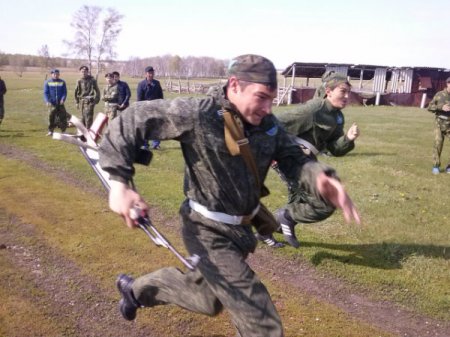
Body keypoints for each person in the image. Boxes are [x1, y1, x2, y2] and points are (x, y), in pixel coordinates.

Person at [98, 54, 360, 337]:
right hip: (206, 231)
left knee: (205, 299)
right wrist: (119, 182)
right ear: (234, 85)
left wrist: (319, 177)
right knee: (261, 325)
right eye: (261, 97)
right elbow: (131, 120)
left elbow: (292, 157)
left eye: (271, 99)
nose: (267, 107)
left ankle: (135, 292)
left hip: (242, 231)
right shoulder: (199, 114)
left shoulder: (268, 124)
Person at [258, 72, 360, 248]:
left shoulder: (337, 116)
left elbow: (334, 149)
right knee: (324, 204)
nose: (346, 96)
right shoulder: (313, 109)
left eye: (348, 92)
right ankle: (285, 218)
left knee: (298, 202)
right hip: (290, 160)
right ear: (328, 91)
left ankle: (265, 231)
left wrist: (348, 139)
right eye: (342, 91)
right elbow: (276, 124)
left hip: (308, 162)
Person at [136, 66, 164, 149]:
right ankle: (145, 144)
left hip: (156, 108)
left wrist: (161, 105)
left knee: (156, 127)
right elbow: (139, 98)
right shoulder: (141, 84)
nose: (151, 74)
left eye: (152, 73)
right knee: (145, 127)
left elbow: (160, 96)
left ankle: (156, 144)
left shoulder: (157, 83)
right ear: (146, 74)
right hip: (145, 109)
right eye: (149, 73)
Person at [428, 77, 450, 174]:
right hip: (439, 124)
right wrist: (441, 107)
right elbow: (429, 107)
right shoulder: (439, 95)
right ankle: (436, 166)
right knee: (438, 143)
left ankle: (449, 167)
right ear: (447, 83)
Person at [43, 69, 70, 136]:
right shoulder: (47, 82)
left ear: (59, 75)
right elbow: (46, 93)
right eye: (54, 74)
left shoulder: (62, 82)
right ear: (51, 74)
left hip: (60, 103)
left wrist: (63, 99)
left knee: (63, 117)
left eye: (57, 74)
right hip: (52, 103)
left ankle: (63, 131)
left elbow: (64, 92)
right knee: (51, 117)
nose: (56, 75)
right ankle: (50, 131)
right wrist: (47, 101)